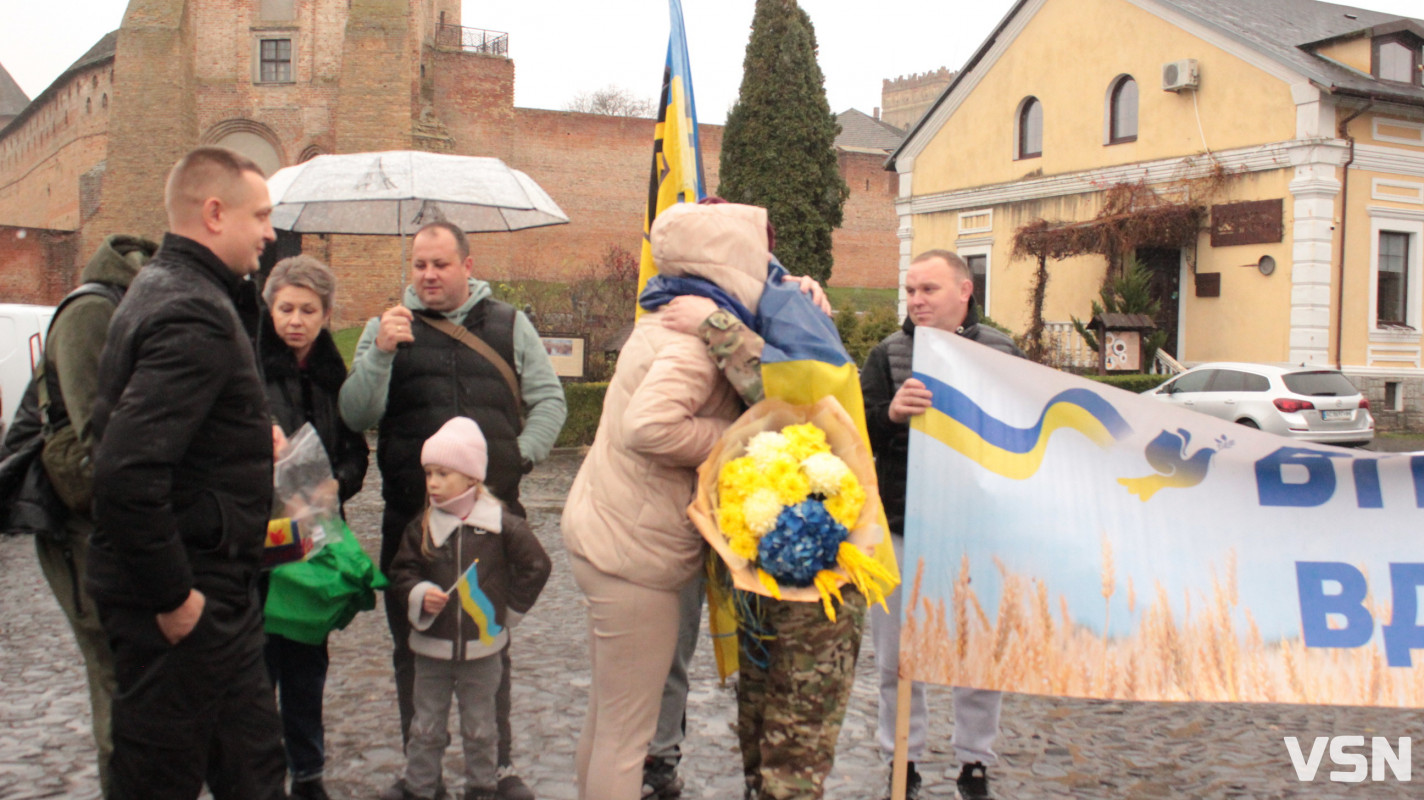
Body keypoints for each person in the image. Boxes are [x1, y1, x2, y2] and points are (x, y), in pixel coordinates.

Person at [339, 220, 566, 800]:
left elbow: (549, 399)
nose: (429, 275)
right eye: (419, 265)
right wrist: (381, 355)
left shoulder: (510, 325)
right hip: (413, 521)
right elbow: (356, 414)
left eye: (440, 264)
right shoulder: (383, 329)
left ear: (467, 266)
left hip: (491, 523)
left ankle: (497, 771)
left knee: (491, 642)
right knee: (411, 643)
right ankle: (422, 776)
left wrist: (521, 457)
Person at [87, 146, 286, 800]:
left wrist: (253, 435)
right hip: (185, 601)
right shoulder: (192, 307)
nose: (270, 231)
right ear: (212, 213)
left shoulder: (172, 288)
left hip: (215, 592)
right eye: (259, 215)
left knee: (254, 769)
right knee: (157, 779)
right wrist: (174, 598)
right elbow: (124, 468)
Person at [860, 249, 1025, 800]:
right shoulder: (886, 354)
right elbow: (858, 434)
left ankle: (975, 760)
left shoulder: (1004, 351)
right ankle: (900, 756)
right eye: (909, 291)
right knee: (895, 657)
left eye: (927, 290)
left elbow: (1029, 434)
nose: (915, 301)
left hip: (981, 531)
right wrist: (890, 414)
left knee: (979, 653)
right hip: (903, 525)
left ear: (964, 291)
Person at [32, 233, 158, 798]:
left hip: (123, 522)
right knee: (116, 676)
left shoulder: (127, 309)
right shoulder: (90, 313)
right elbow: (98, 441)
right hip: (84, 527)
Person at [388, 416, 552, 800]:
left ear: (470, 478)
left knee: (481, 726)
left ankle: (482, 788)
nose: (432, 482)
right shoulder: (423, 526)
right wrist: (418, 594)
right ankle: (419, 787)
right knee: (425, 726)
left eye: (443, 473)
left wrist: (509, 614)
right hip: (431, 649)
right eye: (429, 473)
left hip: (484, 649)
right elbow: (401, 572)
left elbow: (537, 565)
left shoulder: (501, 525)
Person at [260, 255, 371, 800]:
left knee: (306, 658)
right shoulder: (250, 370)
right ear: (269, 307)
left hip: (316, 536)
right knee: (260, 663)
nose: (296, 321)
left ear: (326, 314)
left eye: (308, 310)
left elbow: (355, 452)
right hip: (264, 536)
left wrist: (335, 484)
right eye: (286, 308)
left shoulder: (333, 377)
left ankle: (308, 772)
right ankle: (257, 774)